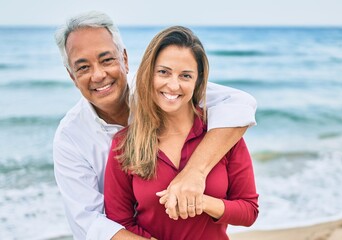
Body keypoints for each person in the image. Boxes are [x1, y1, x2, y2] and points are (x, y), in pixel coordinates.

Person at [53, 11, 257, 240]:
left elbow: (241, 104)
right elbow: (90, 223)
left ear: (125, 59)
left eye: (107, 60)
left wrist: (194, 175)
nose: (99, 75)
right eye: (83, 67)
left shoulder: (168, 91)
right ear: (71, 76)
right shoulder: (74, 139)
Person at [104, 25, 258, 240]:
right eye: (163, 72)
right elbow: (119, 221)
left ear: (197, 82)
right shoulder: (125, 143)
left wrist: (200, 201)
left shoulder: (222, 133)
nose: (173, 85)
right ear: (149, 73)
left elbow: (249, 211)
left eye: (185, 76)